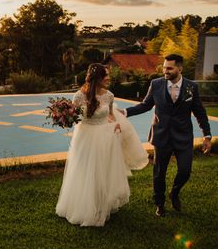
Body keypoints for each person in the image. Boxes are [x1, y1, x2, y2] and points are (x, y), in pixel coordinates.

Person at [56, 63, 149, 227]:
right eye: (104, 75)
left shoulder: (109, 96)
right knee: (86, 171)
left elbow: (111, 115)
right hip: (86, 137)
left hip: (106, 136)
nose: (108, 78)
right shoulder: (79, 96)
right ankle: (84, 207)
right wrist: (64, 117)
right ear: (96, 78)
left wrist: (116, 124)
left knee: (102, 172)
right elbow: (74, 116)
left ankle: (100, 206)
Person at [122, 53, 211, 217]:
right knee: (159, 172)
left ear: (180, 68)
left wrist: (207, 136)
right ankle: (159, 203)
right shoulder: (156, 84)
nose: (165, 71)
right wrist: (125, 112)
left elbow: (200, 112)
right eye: (164, 68)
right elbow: (145, 105)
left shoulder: (191, 87)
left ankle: (174, 192)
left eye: (169, 68)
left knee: (185, 171)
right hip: (161, 136)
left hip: (183, 136)